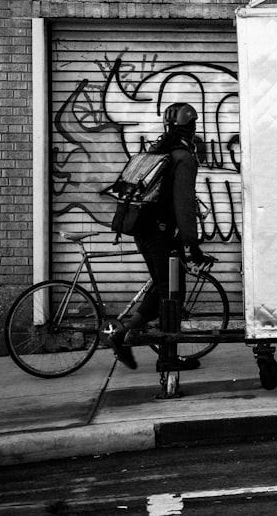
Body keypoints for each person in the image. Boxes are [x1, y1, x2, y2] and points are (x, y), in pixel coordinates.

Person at [111, 102, 213, 371]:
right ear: (190, 126)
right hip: (160, 235)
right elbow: (184, 206)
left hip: (143, 230)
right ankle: (165, 357)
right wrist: (193, 245)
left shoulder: (157, 150)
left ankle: (127, 334)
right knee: (172, 294)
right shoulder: (183, 158)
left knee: (162, 286)